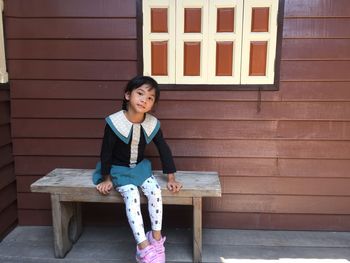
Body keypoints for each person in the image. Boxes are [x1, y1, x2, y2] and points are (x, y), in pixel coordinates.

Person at [92, 76, 182, 263]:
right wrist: (106, 178)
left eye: (150, 98)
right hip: (117, 170)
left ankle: (156, 239)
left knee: (155, 191)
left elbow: (163, 149)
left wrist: (171, 178)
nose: (144, 100)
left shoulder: (152, 124)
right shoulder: (114, 122)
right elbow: (106, 152)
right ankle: (143, 248)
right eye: (140, 93)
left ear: (153, 104)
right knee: (132, 196)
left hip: (140, 169)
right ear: (127, 95)